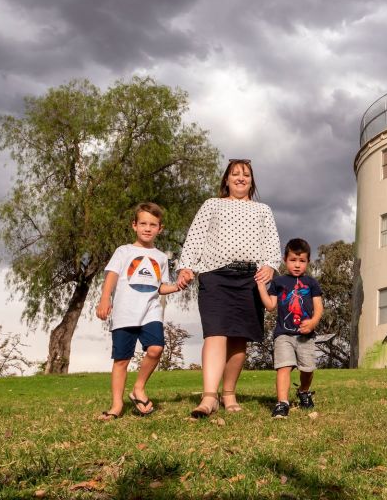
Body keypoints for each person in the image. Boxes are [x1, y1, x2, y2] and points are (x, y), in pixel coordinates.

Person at [176, 159, 281, 418]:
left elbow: (272, 244)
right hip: (215, 276)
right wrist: (186, 267)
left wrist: (270, 266)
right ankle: (209, 397)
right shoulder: (212, 205)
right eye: (235, 174)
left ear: (251, 182)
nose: (240, 178)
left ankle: (229, 394)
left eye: (246, 175)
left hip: (250, 279)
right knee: (216, 333)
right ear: (226, 180)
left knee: (238, 338)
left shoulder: (263, 210)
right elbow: (195, 237)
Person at [96, 202, 181, 420]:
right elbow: (112, 276)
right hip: (125, 313)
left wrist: (178, 285)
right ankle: (116, 406)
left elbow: (160, 286)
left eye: (153, 225)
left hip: (150, 311)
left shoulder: (161, 257)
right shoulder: (124, 251)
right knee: (122, 360)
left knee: (156, 348)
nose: (147, 228)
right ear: (134, 225)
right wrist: (105, 298)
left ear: (160, 229)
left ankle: (138, 388)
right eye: (143, 223)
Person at [257, 238, 324, 419]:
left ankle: (303, 391)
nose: (297, 265)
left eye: (302, 261)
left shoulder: (311, 283)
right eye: (293, 260)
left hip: (305, 336)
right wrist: (261, 287)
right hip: (283, 334)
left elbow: (318, 307)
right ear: (285, 260)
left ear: (308, 262)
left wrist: (313, 322)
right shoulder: (278, 282)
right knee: (283, 367)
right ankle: (282, 403)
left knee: (307, 369)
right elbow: (270, 306)